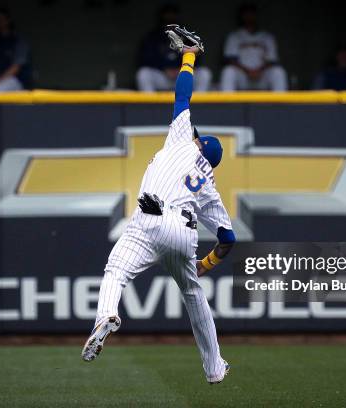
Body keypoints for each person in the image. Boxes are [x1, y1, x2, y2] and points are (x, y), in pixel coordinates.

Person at [83, 25, 235, 384]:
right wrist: (207, 263)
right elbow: (229, 237)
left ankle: (106, 315)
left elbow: (182, 97)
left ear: (199, 145)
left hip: (149, 218)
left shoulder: (182, 140)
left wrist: (189, 56)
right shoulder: (209, 184)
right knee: (194, 296)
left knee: (116, 271)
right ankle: (215, 369)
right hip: (184, 232)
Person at [136, 4, 211, 92]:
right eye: (167, 14)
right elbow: (145, 59)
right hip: (162, 76)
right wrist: (164, 68)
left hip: (183, 74)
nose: (170, 17)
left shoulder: (187, 36)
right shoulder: (152, 36)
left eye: (173, 14)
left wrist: (182, 68)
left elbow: (197, 58)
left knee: (204, 73)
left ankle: (197, 104)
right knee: (143, 73)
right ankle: (149, 104)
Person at [220, 3, 287, 91]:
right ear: (241, 16)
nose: (249, 17)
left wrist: (258, 71)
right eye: (246, 14)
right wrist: (248, 71)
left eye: (251, 14)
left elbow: (272, 60)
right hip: (242, 75)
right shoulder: (235, 36)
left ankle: (280, 103)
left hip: (262, 75)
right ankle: (227, 104)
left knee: (278, 72)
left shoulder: (267, 37)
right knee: (228, 71)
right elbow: (230, 59)